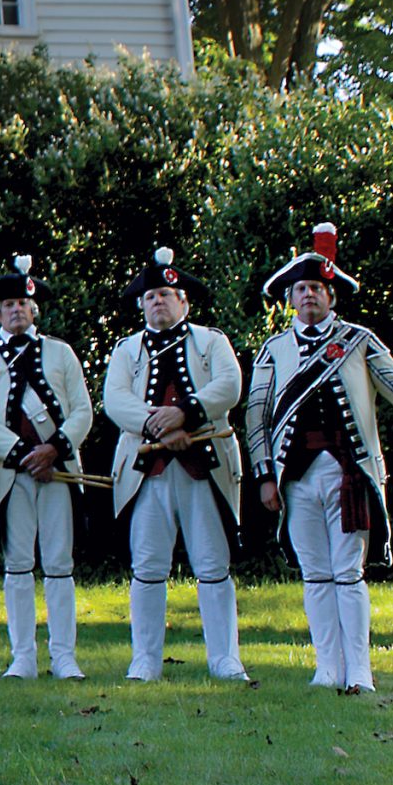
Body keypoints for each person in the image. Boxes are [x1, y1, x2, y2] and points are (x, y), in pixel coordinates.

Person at [244, 223, 393, 694]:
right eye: (301, 289)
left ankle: (360, 672)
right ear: (291, 299)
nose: (309, 295)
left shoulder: (359, 340)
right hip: (294, 480)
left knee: (349, 575)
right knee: (315, 574)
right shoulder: (273, 350)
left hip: (350, 475)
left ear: (331, 297)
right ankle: (326, 668)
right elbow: (256, 419)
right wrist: (264, 476)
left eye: (317, 288)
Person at [102, 247, 250, 682]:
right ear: (141, 305)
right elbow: (115, 400)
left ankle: (225, 659)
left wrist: (187, 412)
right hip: (147, 472)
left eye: (167, 294)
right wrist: (159, 426)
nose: (159, 301)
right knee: (147, 567)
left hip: (203, 467)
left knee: (212, 565)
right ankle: (144, 660)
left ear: (183, 302)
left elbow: (229, 385)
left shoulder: (212, 341)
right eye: (151, 296)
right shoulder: (126, 349)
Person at [0, 254, 95, 680]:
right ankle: (23, 657)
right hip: (10, 473)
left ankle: (65, 656)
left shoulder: (61, 352)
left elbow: (82, 410)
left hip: (58, 470)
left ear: (33, 309)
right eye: (8, 305)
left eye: (23, 303)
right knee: (18, 564)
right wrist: (25, 454)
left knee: (59, 564)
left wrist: (54, 448)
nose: (16, 310)